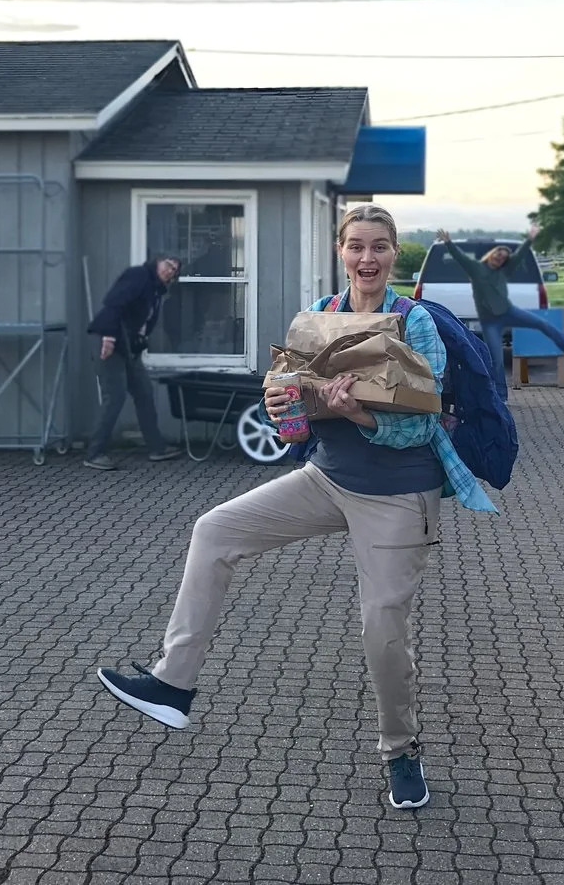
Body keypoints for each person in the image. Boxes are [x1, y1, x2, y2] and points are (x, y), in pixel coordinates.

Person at [96, 204, 494, 812]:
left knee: (382, 629)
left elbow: (419, 427)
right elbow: (289, 424)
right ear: (340, 250)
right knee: (214, 530)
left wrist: (356, 411)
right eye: (356, 245)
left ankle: (401, 751)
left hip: (397, 495)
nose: (367, 258)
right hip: (325, 478)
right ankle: (173, 683)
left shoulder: (416, 326)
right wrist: (288, 408)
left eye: (380, 247)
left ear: (394, 255)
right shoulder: (317, 321)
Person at [436, 227, 564, 397]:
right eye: (498, 254)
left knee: (541, 323)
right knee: (496, 359)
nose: (499, 258)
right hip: (490, 321)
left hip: (509, 311)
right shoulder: (476, 268)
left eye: (503, 258)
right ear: (492, 254)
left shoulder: (504, 271)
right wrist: (448, 242)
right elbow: (460, 257)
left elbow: (519, 256)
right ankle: (501, 395)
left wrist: (529, 239)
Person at [83, 255, 181, 470]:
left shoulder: (156, 291)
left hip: (128, 346)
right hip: (108, 339)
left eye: (174, 269)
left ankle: (157, 448)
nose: (169, 271)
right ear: (157, 263)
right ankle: (94, 453)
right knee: (115, 395)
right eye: (167, 265)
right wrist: (108, 337)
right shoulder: (139, 276)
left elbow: (140, 322)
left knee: (144, 392)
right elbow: (114, 303)